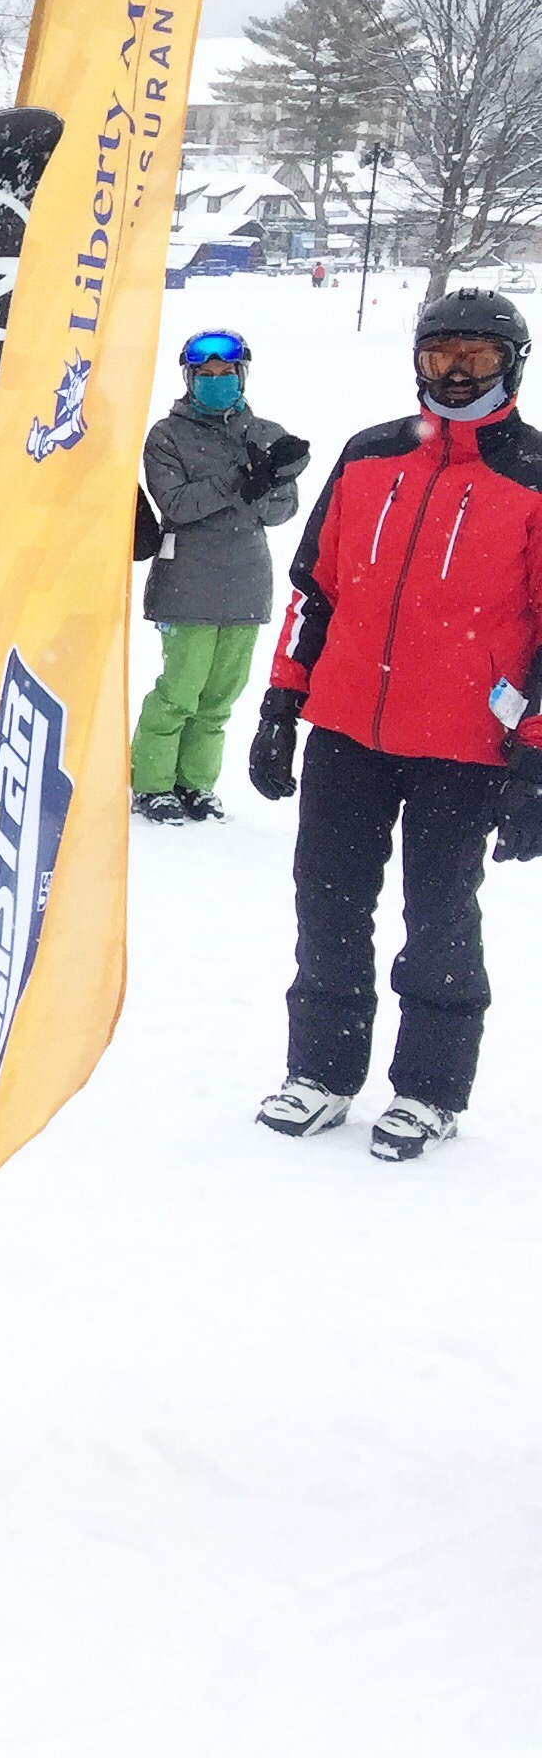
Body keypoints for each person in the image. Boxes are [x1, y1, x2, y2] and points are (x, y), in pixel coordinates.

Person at [250, 288, 542, 1159]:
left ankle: (429, 1089)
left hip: (465, 746)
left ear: (512, 364)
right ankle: (324, 1073)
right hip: (346, 730)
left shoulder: (531, 475)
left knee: (440, 914)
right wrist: (282, 703)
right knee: (329, 903)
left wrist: (533, 761)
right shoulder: (370, 456)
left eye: (476, 359)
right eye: (439, 357)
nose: (454, 376)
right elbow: (317, 591)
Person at [131, 327, 307, 822]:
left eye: (224, 373)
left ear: (241, 375)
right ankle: (152, 784)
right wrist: (239, 480)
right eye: (204, 375)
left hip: (247, 585)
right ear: (189, 379)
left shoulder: (266, 434)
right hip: (187, 582)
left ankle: (197, 784)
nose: (215, 381)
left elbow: (281, 512)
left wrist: (271, 480)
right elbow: (177, 504)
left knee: (218, 701)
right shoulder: (167, 436)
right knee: (178, 693)